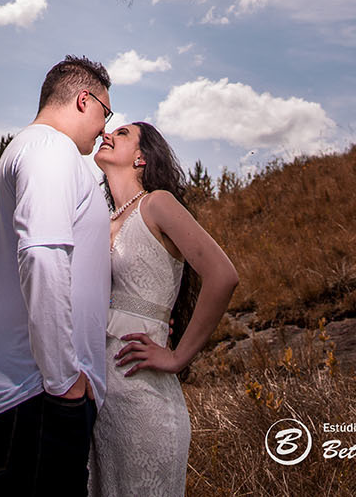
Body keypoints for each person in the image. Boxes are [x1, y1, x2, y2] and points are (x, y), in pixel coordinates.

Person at [0, 55, 113, 496]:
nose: (105, 128)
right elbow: (43, 256)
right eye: (107, 112)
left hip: (31, 389)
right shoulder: (50, 149)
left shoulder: (33, 148)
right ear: (85, 100)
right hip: (37, 391)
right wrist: (66, 380)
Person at [90, 121, 238, 497]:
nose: (107, 134)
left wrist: (177, 357)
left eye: (121, 133)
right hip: (98, 400)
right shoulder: (99, 222)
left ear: (141, 157)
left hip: (145, 400)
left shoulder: (158, 204)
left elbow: (222, 275)